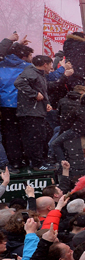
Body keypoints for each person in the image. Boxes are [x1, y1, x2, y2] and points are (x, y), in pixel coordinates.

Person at [13, 55, 54, 171]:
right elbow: (19, 83)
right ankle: (37, 163)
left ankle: (41, 161)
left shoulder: (39, 75)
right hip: (30, 112)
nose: (51, 67)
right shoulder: (31, 72)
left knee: (43, 135)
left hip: (37, 111)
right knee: (34, 138)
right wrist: (34, 94)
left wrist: (47, 103)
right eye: (50, 64)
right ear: (45, 64)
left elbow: (42, 92)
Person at [0, 42, 33, 172]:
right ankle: (27, 159)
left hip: (5, 105)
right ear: (24, 56)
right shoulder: (29, 67)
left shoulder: (1, 65)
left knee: (10, 134)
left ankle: (15, 162)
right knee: (26, 132)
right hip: (23, 103)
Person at [49, 92, 85, 164]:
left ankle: (62, 162)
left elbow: (67, 122)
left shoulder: (78, 108)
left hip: (75, 131)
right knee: (57, 132)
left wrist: (62, 133)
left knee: (55, 143)